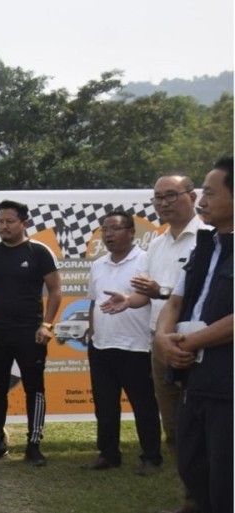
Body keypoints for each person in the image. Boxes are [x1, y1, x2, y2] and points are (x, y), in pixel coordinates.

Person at [95, 175, 202, 510]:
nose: (164, 202)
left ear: (193, 196)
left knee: (205, 424)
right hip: (160, 344)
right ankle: (191, 496)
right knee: (173, 425)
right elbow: (149, 296)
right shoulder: (158, 243)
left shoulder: (209, 238)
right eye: (158, 197)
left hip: (197, 343)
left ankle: (209, 492)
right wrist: (130, 300)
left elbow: (184, 296)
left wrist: (159, 293)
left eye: (171, 195)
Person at [154, 157, 232, 513]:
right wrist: (162, 338)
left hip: (226, 382)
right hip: (193, 377)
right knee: (191, 461)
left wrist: (192, 342)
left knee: (224, 474)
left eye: (211, 193)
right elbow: (175, 301)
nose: (202, 201)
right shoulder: (205, 247)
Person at [0, 199, 62, 466]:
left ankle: (34, 445)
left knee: (35, 388)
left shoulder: (39, 252)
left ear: (24, 223)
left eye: (10, 221)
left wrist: (47, 325)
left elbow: (55, 291)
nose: (3, 226)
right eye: (0, 221)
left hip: (30, 333)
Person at [85, 211, 162, 475]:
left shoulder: (146, 261)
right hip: (101, 346)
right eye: (104, 229)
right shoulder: (98, 265)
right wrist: (92, 334)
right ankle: (108, 454)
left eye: (115, 229)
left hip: (136, 347)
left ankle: (151, 457)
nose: (108, 234)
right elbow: (94, 302)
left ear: (131, 232)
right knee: (105, 406)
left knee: (144, 406)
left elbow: (156, 298)